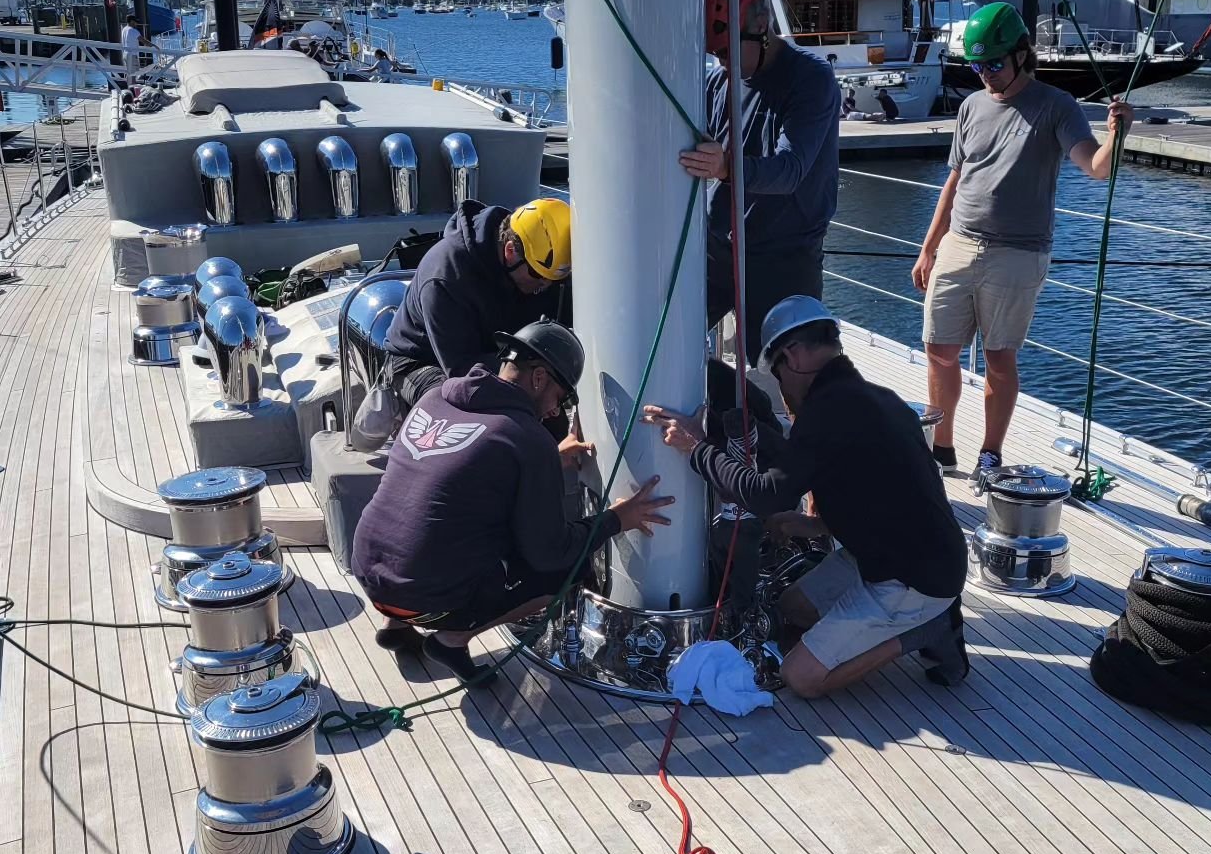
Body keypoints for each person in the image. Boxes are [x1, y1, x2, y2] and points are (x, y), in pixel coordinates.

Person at [643, 296, 969, 699]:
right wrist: (813, 524)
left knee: (802, 677)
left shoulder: (826, 414)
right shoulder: (878, 398)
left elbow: (763, 495)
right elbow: (890, 496)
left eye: (776, 374)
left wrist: (695, 450)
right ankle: (915, 617)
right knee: (792, 609)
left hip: (913, 578)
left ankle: (925, 630)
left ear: (793, 356)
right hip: (904, 553)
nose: (780, 391)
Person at [352, 319, 672, 681]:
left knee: (427, 516)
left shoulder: (434, 397)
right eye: (561, 397)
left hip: (367, 569)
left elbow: (464, 466)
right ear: (538, 378)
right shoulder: (526, 438)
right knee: (565, 573)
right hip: (424, 595)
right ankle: (452, 638)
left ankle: (395, 626)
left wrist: (548, 456)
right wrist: (618, 518)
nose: (556, 411)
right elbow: (551, 551)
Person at [910, 2, 1132, 487]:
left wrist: (1117, 136)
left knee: (999, 357)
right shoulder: (971, 106)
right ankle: (941, 447)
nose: (985, 75)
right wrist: (929, 246)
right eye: (975, 66)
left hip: (1018, 253)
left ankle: (990, 453)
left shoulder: (1056, 105)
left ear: (1021, 55)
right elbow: (954, 180)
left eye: (993, 64)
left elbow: (1096, 168)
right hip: (958, 243)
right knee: (938, 350)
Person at [679, 0, 842, 363]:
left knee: (788, 375)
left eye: (727, 51)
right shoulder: (718, 83)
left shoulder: (811, 80)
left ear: (763, 25)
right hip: (718, 252)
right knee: (668, 337)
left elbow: (790, 170)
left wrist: (724, 167)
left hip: (784, 260)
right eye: (715, 54)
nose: (722, 63)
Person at [383, 197, 573, 416]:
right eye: (538, 275)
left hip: (506, 355)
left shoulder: (543, 268)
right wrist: (527, 382)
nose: (544, 285)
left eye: (553, 280)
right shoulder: (445, 276)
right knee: (454, 412)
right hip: (422, 360)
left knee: (546, 411)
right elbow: (462, 370)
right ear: (510, 251)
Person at [120, 15, 150, 80]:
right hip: (132, 55)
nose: (136, 23)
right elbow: (144, 41)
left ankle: (129, 87)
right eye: (135, 22)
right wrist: (154, 45)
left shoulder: (124, 29)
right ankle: (133, 88)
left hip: (125, 54)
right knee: (133, 75)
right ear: (131, 21)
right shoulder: (133, 31)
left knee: (128, 74)